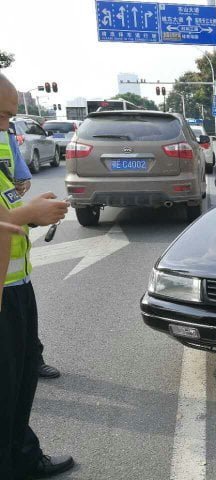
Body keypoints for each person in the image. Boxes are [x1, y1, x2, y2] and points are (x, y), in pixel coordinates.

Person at [0, 73, 74, 479]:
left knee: (22, 378)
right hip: (1, 294)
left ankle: (22, 457)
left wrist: (29, 209)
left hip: (15, 288)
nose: (6, 128)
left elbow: (5, 213)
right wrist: (28, 215)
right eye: (3, 115)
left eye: (11, 118)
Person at [8, 124, 61, 379]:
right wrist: (28, 213)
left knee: (23, 360)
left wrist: (32, 215)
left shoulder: (6, 137)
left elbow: (13, 192)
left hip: (17, 276)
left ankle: (32, 358)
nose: (5, 125)